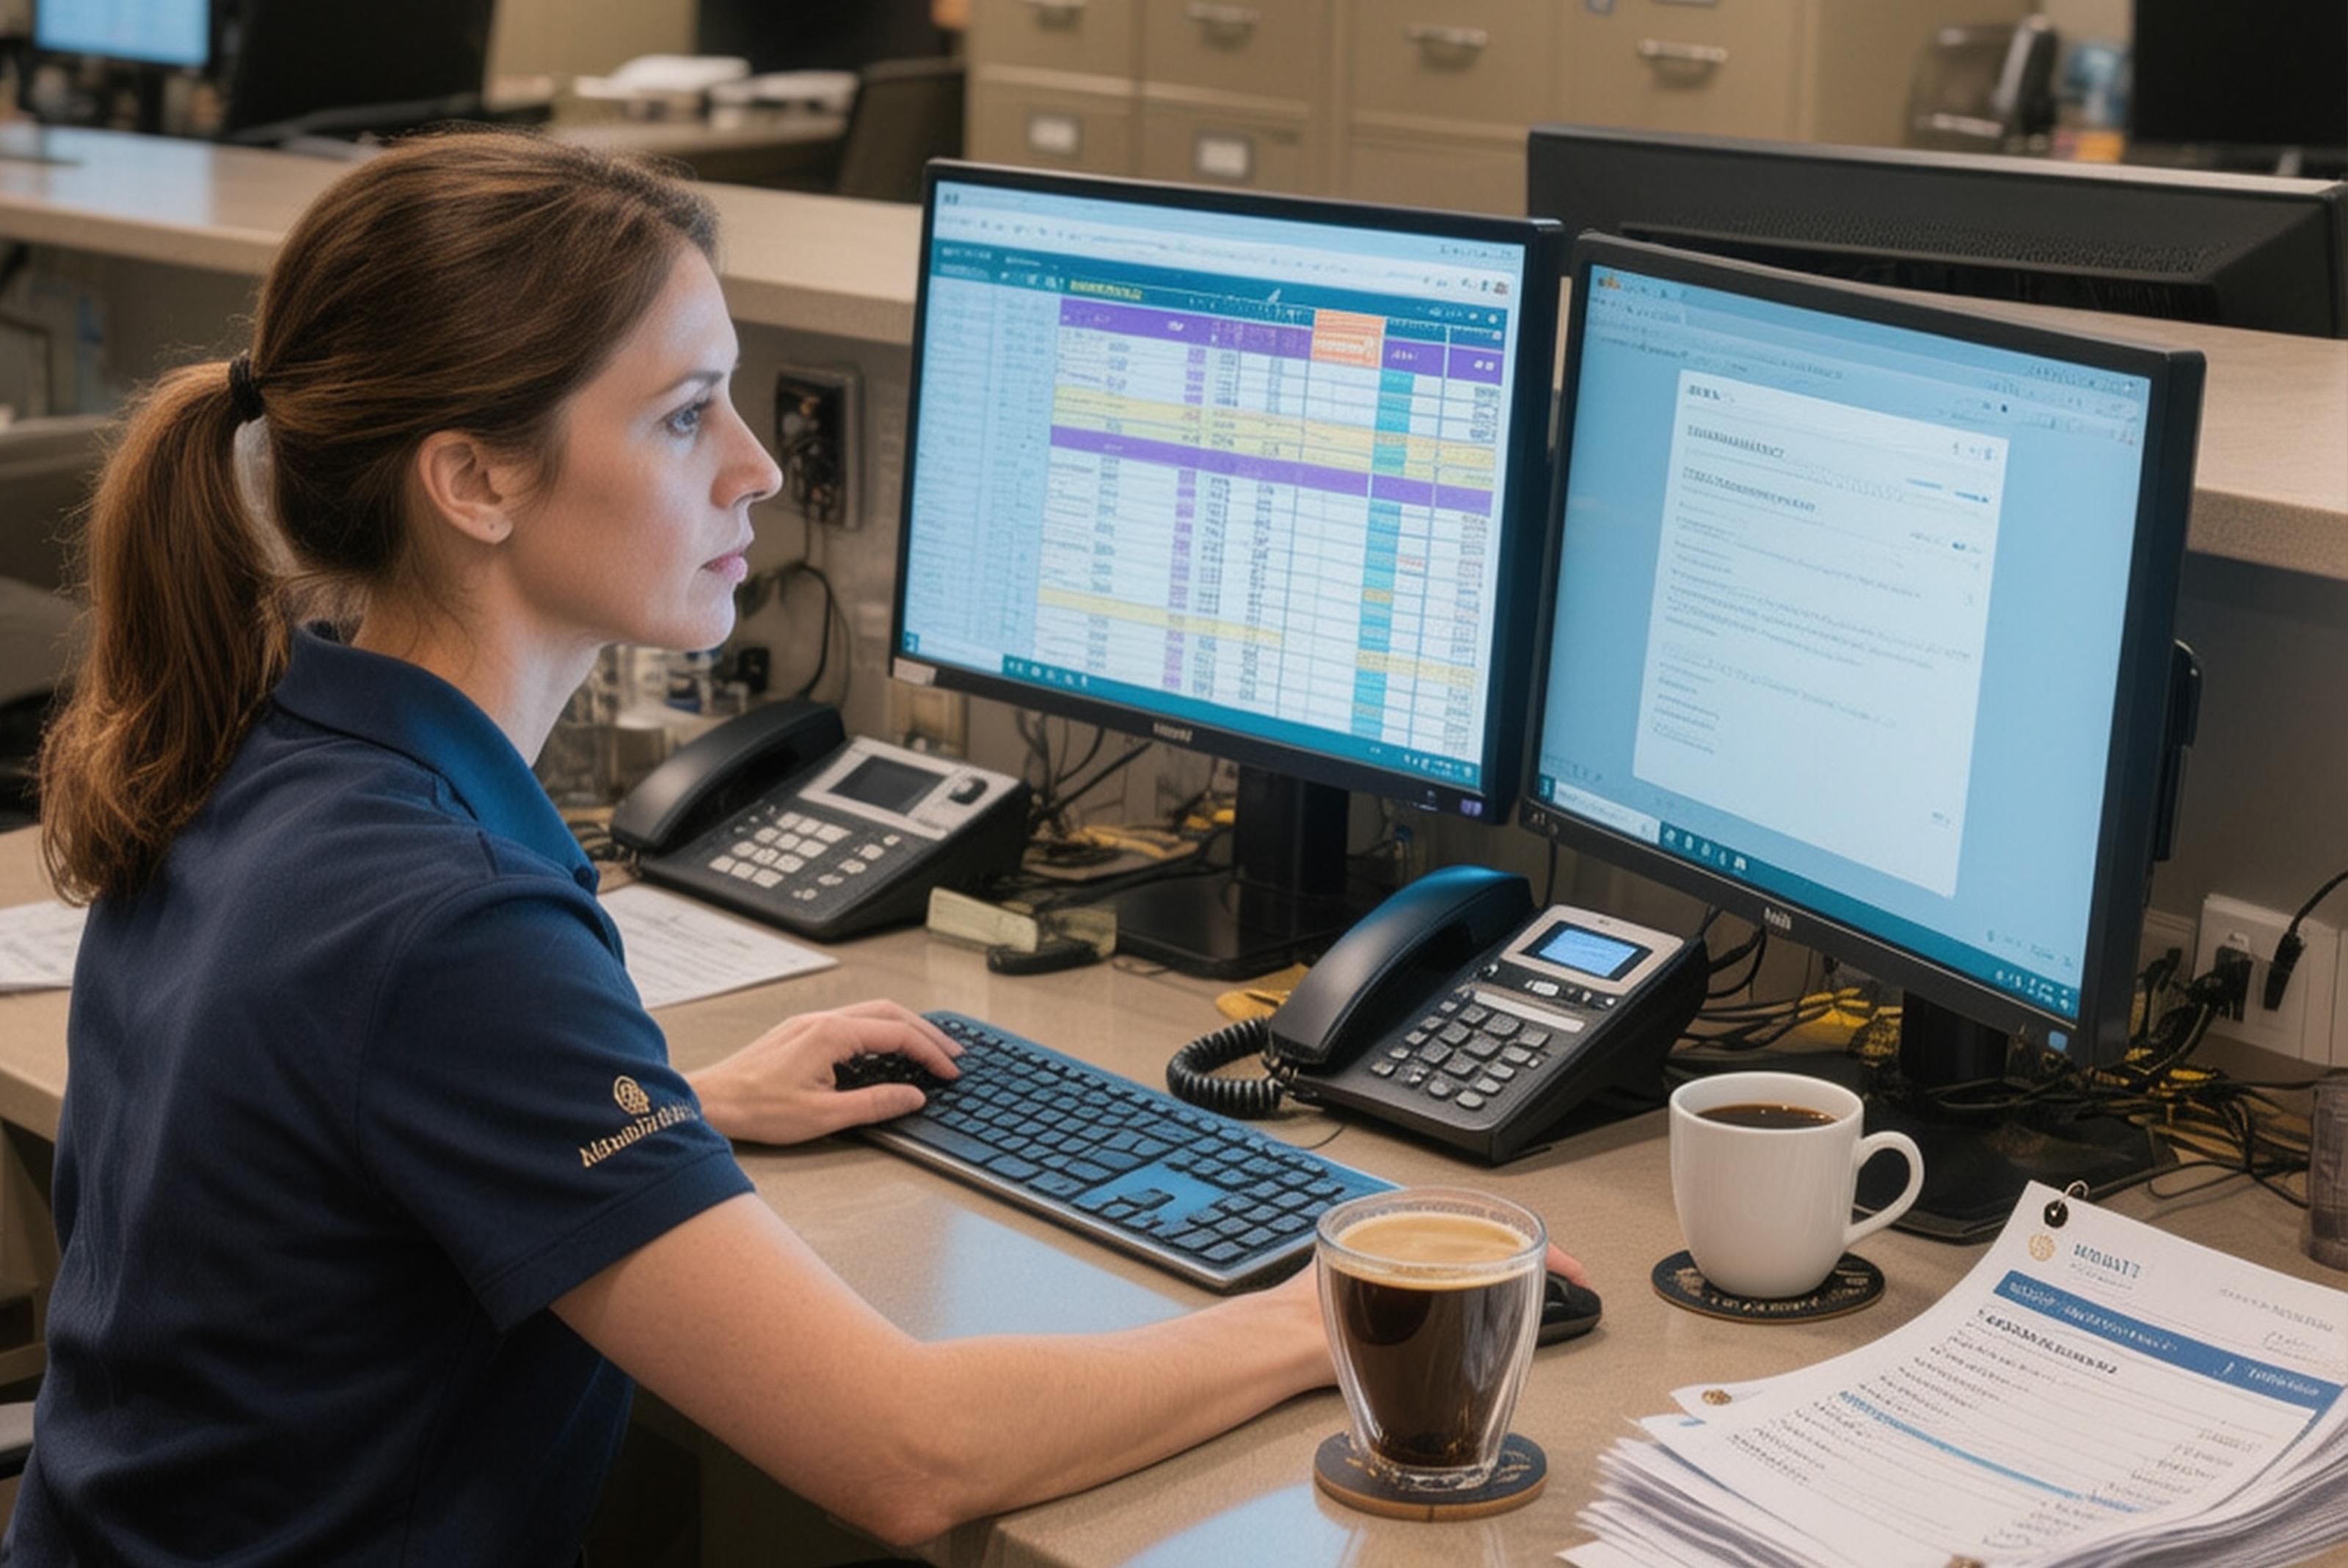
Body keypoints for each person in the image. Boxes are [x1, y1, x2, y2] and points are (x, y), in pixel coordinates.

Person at [15, 131, 1583, 1564]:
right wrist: (1337, 1306)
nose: (758, 467)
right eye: (687, 412)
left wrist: (675, 1115)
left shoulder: (254, 741)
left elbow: (335, 1146)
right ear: (473, 479)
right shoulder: (448, 922)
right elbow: (904, 1453)